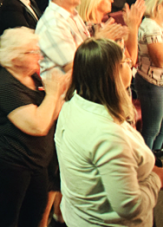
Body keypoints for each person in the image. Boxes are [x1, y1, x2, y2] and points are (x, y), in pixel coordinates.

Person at [56, 38, 160, 227]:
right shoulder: (107, 135)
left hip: (80, 216)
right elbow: (129, 206)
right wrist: (154, 180)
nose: (130, 65)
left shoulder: (73, 104)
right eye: (125, 63)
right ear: (110, 75)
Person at [0, 27, 68, 227]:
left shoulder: (31, 77)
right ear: (14, 57)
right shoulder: (6, 87)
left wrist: (61, 93)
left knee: (34, 213)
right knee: (8, 218)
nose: (39, 55)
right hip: (9, 162)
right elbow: (38, 126)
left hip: (35, 160)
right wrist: (53, 95)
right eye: (32, 51)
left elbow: (50, 115)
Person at [137, 0, 163, 152]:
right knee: (152, 128)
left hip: (157, 82)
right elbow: (160, 61)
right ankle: (146, 165)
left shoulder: (158, 25)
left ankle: (155, 156)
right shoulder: (150, 26)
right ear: (160, 7)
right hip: (152, 83)